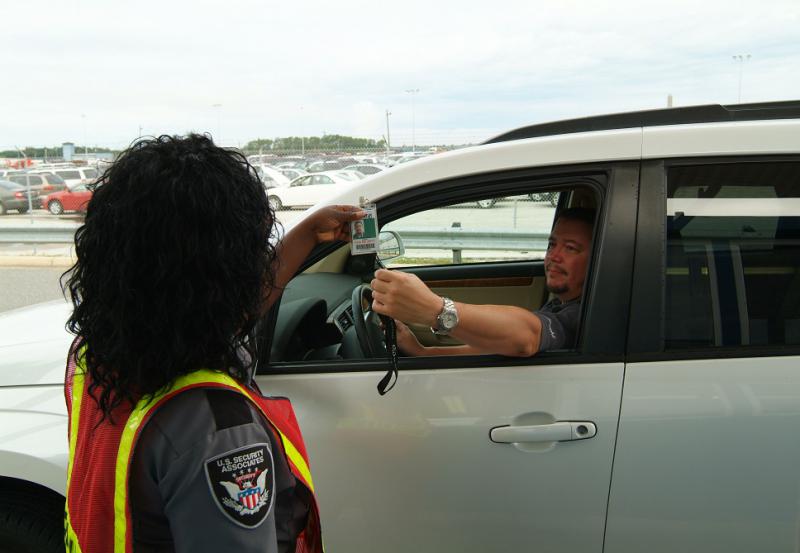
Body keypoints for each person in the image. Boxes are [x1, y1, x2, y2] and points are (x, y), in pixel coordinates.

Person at [62, 134, 365, 553]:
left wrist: (307, 236)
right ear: (221, 279)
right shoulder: (218, 430)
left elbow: (221, 309)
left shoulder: (92, 357)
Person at [370, 207, 594, 357]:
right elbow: (495, 346)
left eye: (570, 248)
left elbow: (527, 337)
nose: (554, 256)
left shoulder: (582, 316)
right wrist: (422, 352)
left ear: (600, 257)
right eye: (552, 245)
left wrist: (435, 310)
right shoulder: (560, 304)